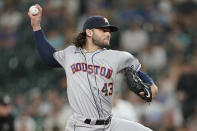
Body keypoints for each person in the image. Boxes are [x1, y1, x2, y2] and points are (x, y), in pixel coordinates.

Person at [28, 4, 158, 131]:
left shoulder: (118, 57)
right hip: (81, 126)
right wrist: (36, 26)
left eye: (109, 31)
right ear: (89, 32)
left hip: (109, 124)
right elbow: (49, 57)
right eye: (103, 30)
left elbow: (140, 75)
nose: (108, 34)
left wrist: (151, 86)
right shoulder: (71, 53)